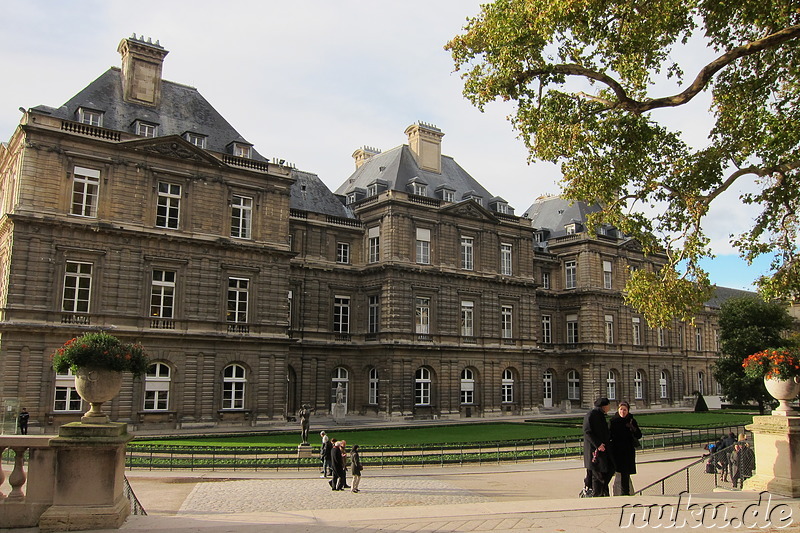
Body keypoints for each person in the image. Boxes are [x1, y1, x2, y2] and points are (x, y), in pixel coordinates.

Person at [609, 401, 642, 496]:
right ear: (618, 410)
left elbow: (639, 435)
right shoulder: (613, 421)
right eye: (621, 409)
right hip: (616, 450)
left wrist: (633, 428)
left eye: (625, 410)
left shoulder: (631, 420)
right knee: (615, 472)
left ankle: (625, 494)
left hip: (628, 451)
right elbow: (609, 436)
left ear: (628, 411)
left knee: (625, 473)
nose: (622, 412)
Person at [584, 397, 614, 497]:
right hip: (594, 452)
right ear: (604, 406)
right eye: (608, 405)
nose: (609, 407)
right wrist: (598, 444)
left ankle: (602, 493)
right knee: (599, 475)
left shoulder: (600, 415)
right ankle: (598, 495)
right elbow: (587, 432)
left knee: (606, 472)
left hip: (601, 450)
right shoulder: (591, 415)